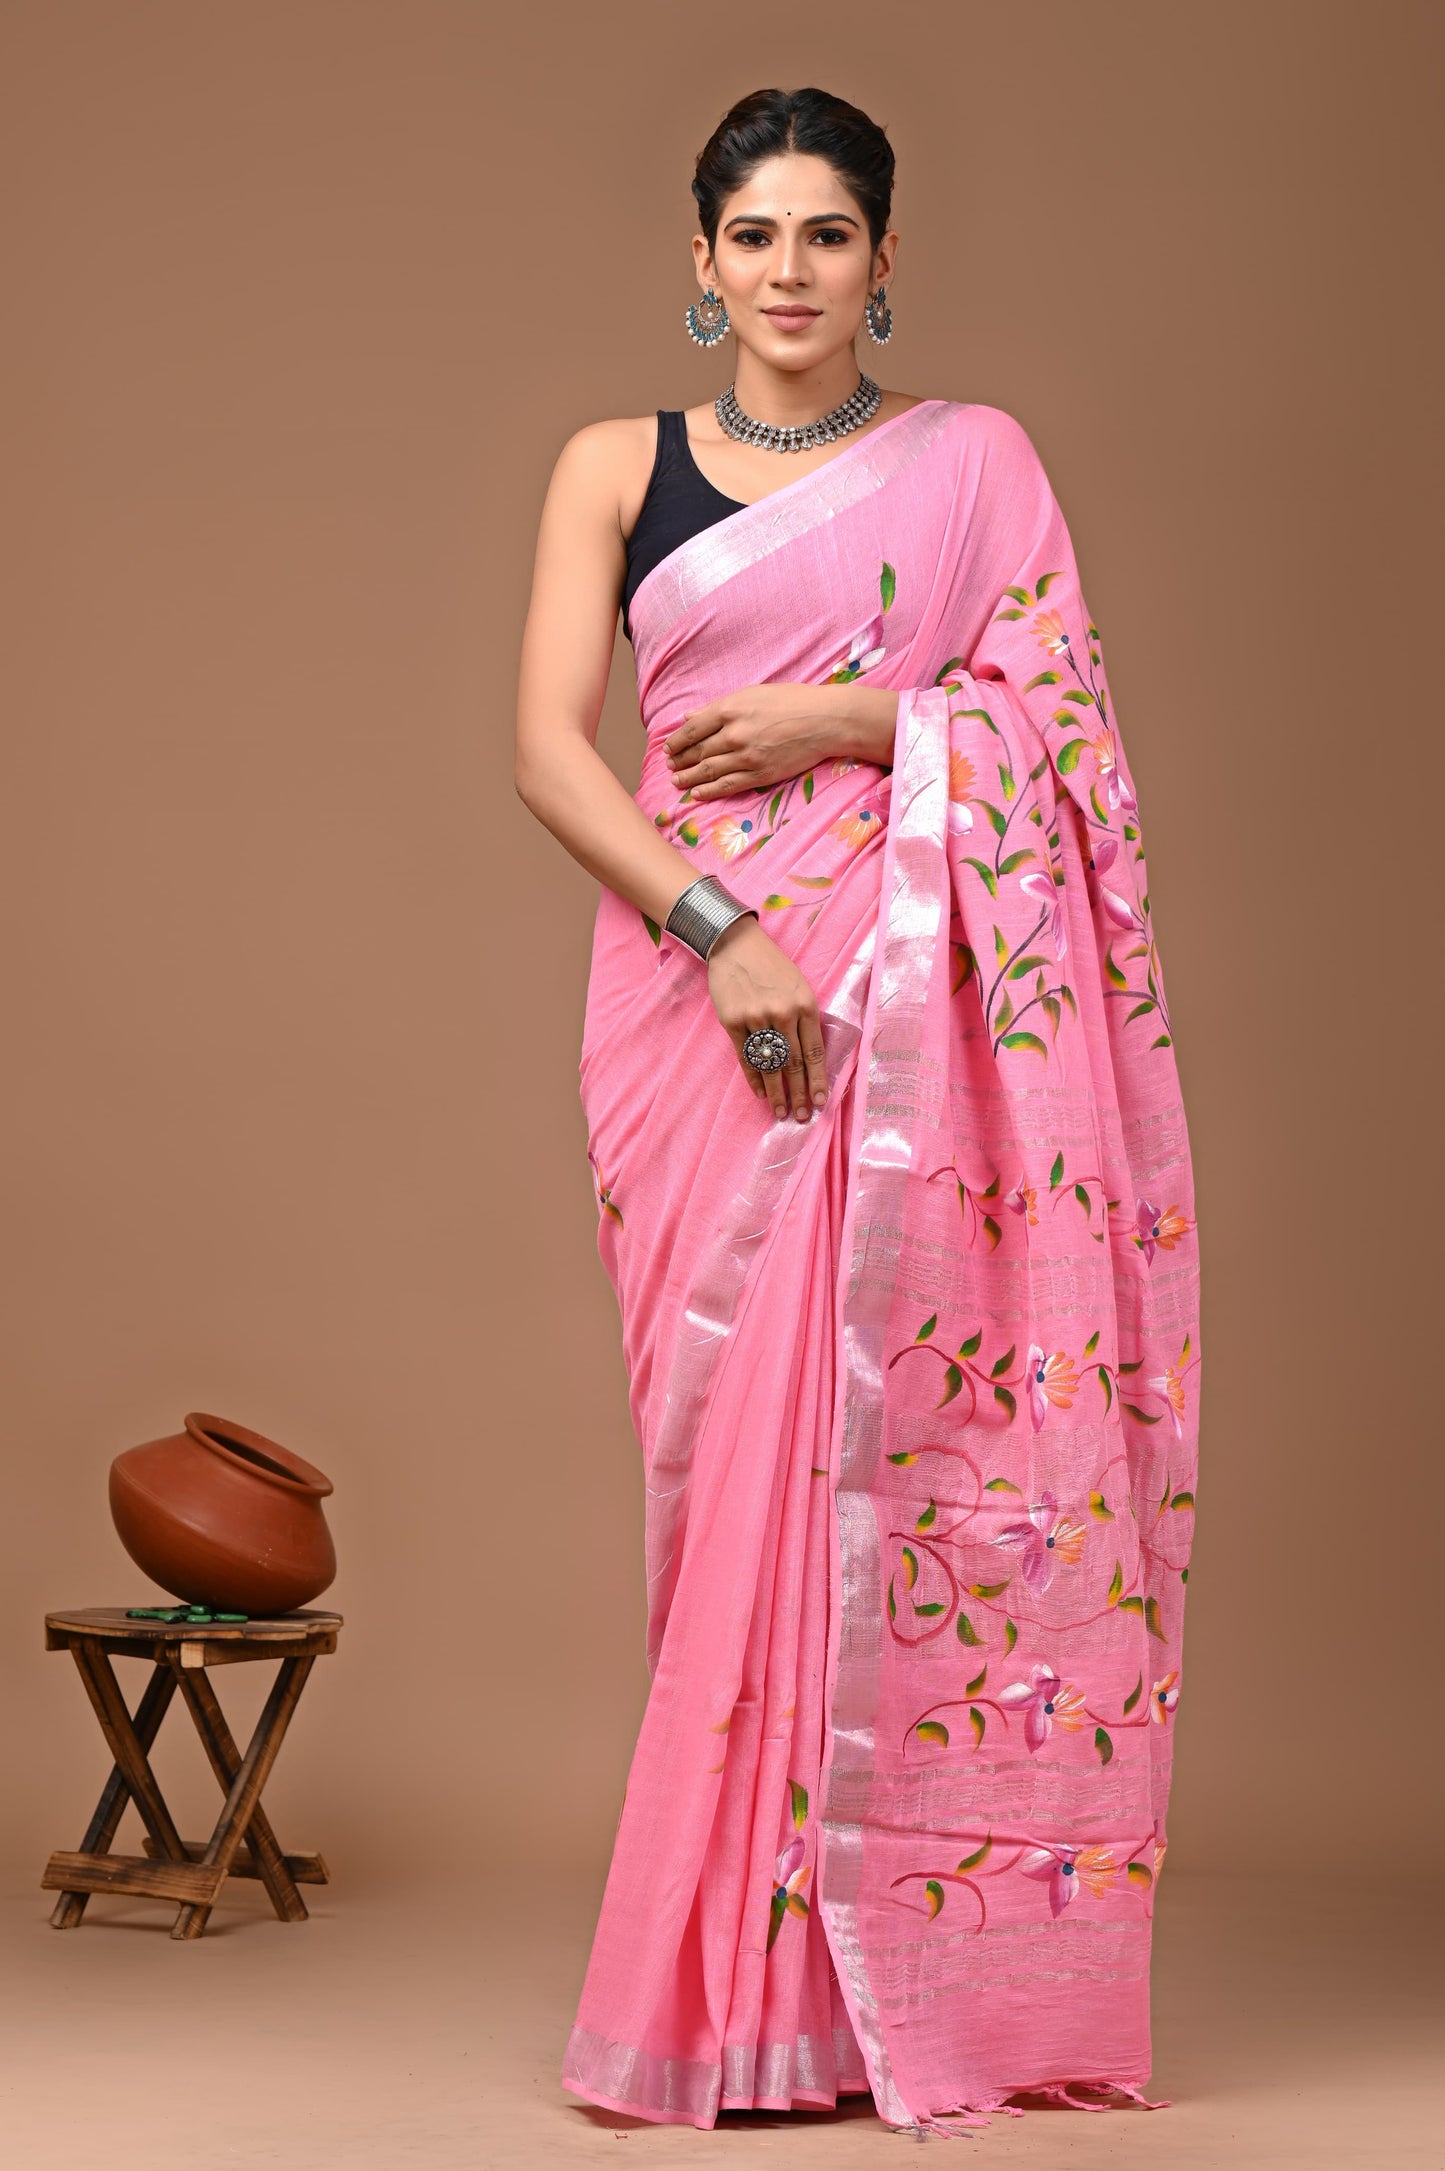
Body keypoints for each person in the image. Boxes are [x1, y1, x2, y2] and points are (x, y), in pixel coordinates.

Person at [514, 84, 1201, 2139]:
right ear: (700, 259)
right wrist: (720, 931)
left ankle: (857, 1997)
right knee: (733, 1472)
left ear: (884, 260)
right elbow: (549, 753)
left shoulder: (978, 463)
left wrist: (860, 715)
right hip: (690, 1001)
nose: (790, 271)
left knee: (879, 1458)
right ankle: (736, 1987)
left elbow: (1065, 744)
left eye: (828, 234)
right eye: (755, 235)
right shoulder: (611, 465)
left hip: (910, 1005)